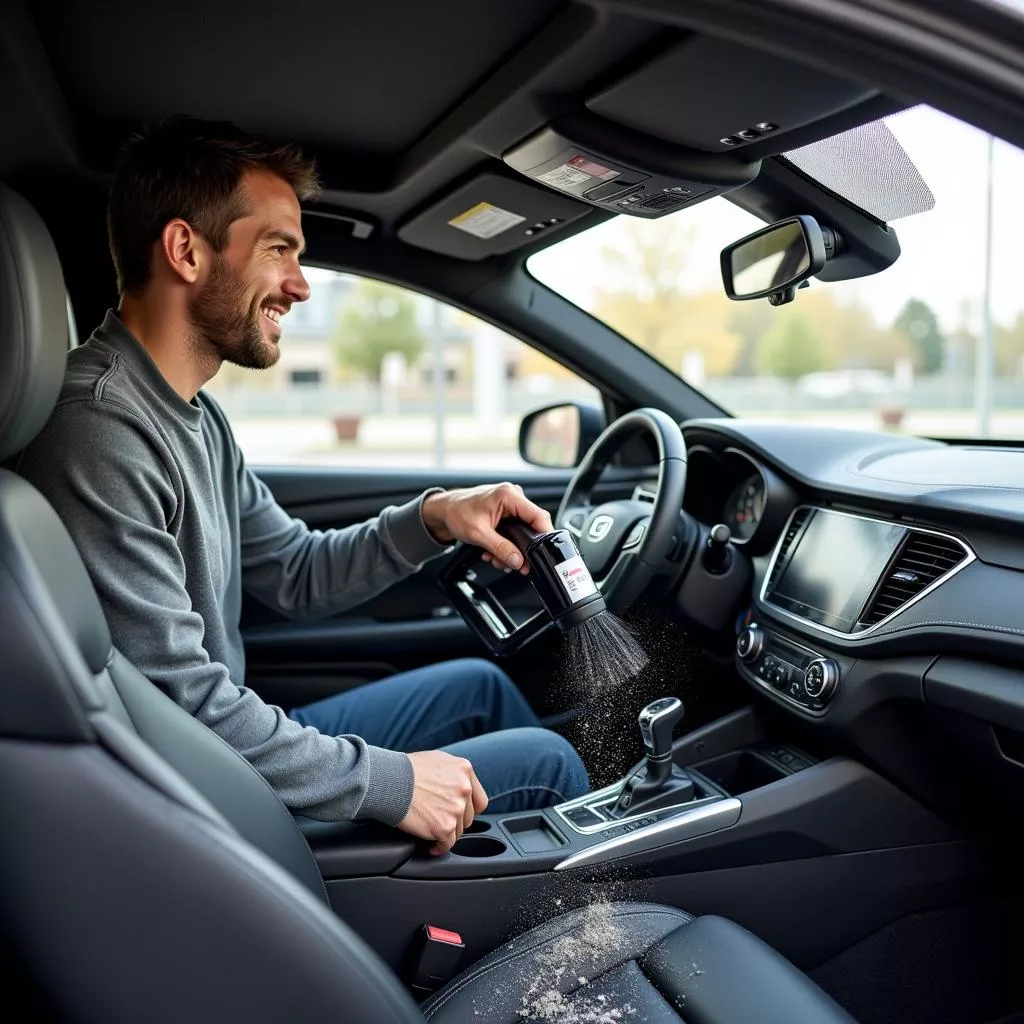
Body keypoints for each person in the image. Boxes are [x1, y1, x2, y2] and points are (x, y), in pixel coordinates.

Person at [18, 116, 589, 855]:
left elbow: (293, 572)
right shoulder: (99, 430)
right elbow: (179, 704)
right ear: (186, 250)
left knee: (477, 689)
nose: (301, 285)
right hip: (200, 801)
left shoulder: (190, 415)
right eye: (279, 250)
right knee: (548, 765)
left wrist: (438, 517)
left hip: (219, 757)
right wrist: (391, 783)